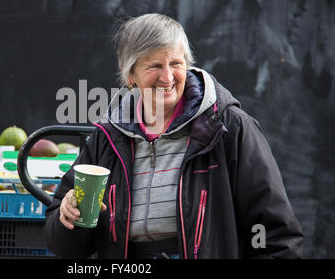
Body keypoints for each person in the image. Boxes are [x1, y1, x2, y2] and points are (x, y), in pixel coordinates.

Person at [45, 13, 304, 259]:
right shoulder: (108, 138)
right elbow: (64, 247)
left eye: (176, 63)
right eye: (155, 65)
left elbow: (277, 234)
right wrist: (71, 219)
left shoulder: (227, 128)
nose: (167, 77)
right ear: (130, 74)